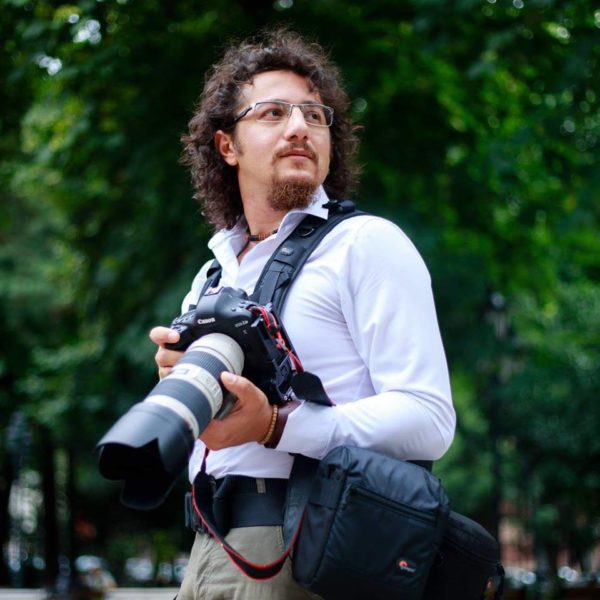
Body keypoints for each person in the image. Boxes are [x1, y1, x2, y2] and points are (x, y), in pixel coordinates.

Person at [150, 28, 456, 600]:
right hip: (208, 546)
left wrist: (276, 425)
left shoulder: (365, 244)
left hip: (306, 548)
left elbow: (429, 419)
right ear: (227, 146)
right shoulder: (212, 275)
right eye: (273, 113)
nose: (299, 127)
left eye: (314, 116)